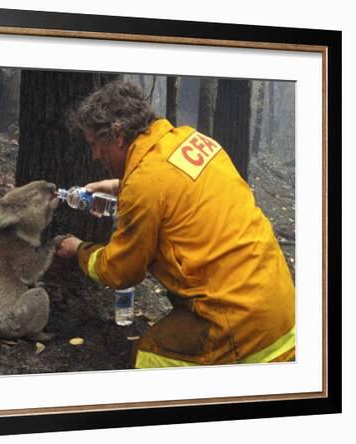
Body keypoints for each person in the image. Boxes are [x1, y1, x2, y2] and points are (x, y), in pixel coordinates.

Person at [56, 80, 295, 368]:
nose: (95, 155)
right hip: (281, 308)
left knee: (147, 358)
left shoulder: (145, 184)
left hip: (239, 325)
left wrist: (78, 250)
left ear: (118, 135)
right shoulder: (191, 140)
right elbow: (172, 187)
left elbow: (120, 271)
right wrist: (120, 186)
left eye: (95, 145)